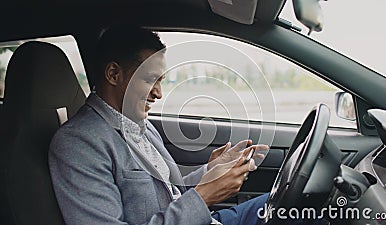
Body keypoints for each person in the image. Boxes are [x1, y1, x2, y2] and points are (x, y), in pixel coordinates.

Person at [48, 25, 269, 225]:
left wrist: (210, 172)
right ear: (114, 74)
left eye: (161, 80)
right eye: (149, 79)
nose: (158, 93)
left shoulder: (140, 123)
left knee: (279, 205)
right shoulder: (79, 144)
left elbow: (169, 193)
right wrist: (204, 197)